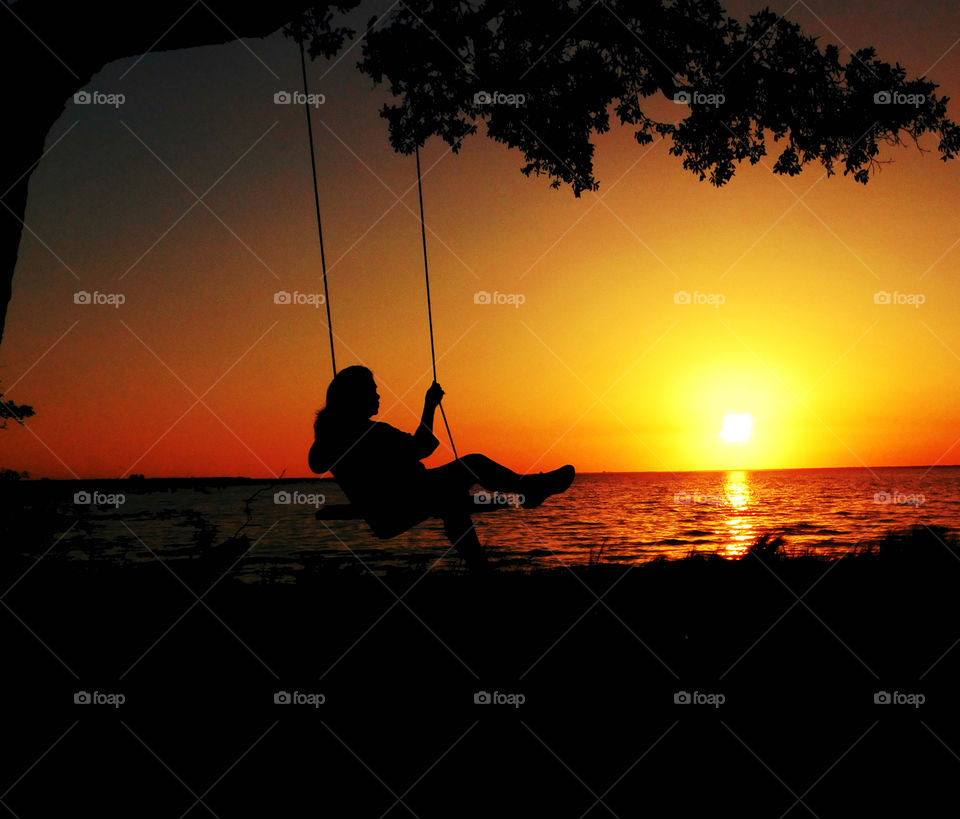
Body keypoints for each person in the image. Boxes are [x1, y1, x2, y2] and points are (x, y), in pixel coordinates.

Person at [308, 365, 575, 570]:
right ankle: (529, 491)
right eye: (371, 390)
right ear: (355, 397)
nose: (378, 394)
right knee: (473, 463)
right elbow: (423, 447)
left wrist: (334, 428)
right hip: (402, 505)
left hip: (389, 510)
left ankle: (480, 566)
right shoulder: (373, 433)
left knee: (453, 501)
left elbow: (316, 463)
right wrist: (429, 405)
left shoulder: (334, 438)